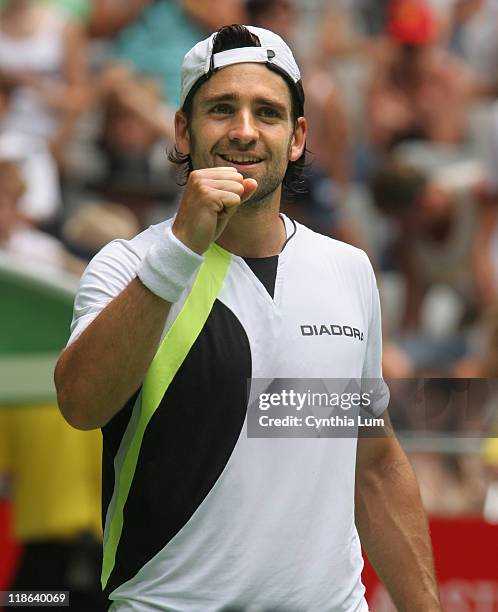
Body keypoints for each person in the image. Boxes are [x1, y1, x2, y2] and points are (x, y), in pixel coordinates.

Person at [55, 24, 441, 612]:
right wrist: (180, 250)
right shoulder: (128, 264)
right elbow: (81, 404)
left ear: (296, 137)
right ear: (183, 131)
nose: (243, 130)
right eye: (220, 109)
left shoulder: (348, 270)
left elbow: (374, 461)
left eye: (267, 112)